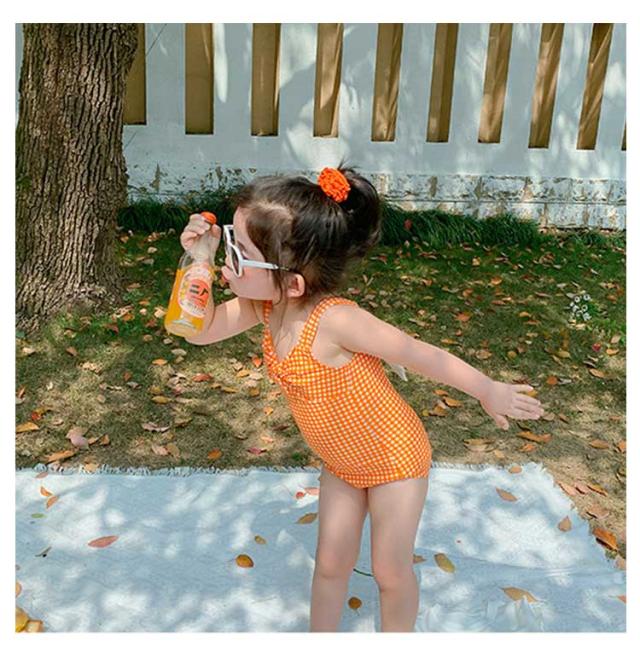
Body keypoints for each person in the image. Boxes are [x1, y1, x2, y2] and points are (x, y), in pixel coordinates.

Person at [178, 163, 544, 632]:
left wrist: (488, 389)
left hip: (394, 459)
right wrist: (198, 259)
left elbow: (417, 353)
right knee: (331, 563)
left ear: (293, 282)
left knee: (390, 571)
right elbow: (198, 329)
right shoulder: (264, 304)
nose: (227, 262)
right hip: (343, 462)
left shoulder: (336, 320)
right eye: (229, 243)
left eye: (238, 253)